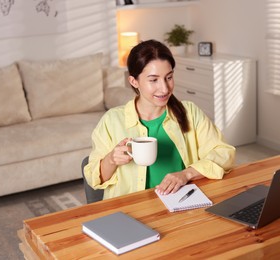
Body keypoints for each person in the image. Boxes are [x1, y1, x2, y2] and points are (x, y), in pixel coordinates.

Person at [84, 39, 235, 200]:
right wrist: (111, 160)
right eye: (153, 80)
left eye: (169, 77)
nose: (164, 88)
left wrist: (186, 174)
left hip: (182, 204)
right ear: (134, 81)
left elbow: (224, 153)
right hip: (130, 211)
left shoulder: (189, 112)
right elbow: (93, 178)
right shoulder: (112, 121)